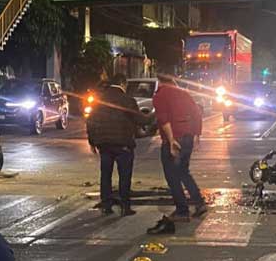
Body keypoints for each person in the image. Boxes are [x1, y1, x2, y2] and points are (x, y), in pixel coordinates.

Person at [86, 72, 143, 217]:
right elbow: (140, 120)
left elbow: (90, 121)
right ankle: (125, 206)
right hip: (123, 143)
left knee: (106, 175)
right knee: (124, 176)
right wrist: (156, 116)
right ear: (123, 84)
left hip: (104, 144)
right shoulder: (127, 100)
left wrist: (92, 141)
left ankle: (106, 205)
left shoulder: (99, 100)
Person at [152, 73, 206, 222]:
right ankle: (199, 202)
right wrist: (196, 136)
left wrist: (171, 141)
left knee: (172, 176)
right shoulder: (185, 94)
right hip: (188, 137)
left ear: (160, 82)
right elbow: (197, 115)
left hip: (174, 139)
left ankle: (182, 211)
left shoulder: (160, 95)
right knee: (183, 172)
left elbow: (164, 120)